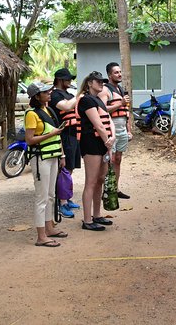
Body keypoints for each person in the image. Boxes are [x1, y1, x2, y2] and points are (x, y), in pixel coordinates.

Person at [24, 81, 68, 247]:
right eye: (45, 92)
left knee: (50, 195)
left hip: (53, 156)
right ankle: (41, 236)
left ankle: (49, 228)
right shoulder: (31, 114)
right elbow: (29, 140)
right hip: (40, 157)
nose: (49, 93)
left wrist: (62, 154)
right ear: (37, 96)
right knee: (41, 197)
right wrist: (53, 134)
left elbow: (58, 135)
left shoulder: (48, 110)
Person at [77, 71, 115, 231]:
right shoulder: (86, 100)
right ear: (89, 83)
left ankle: (97, 214)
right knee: (91, 181)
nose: (101, 84)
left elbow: (109, 120)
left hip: (103, 143)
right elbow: (98, 124)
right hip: (92, 143)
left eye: (102, 81)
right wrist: (109, 142)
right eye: (98, 81)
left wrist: (111, 139)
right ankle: (87, 220)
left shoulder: (99, 100)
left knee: (100, 179)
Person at [50, 68, 82, 218]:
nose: (70, 82)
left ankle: (66, 198)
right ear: (60, 80)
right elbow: (67, 107)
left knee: (70, 169)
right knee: (63, 170)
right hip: (64, 136)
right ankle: (61, 202)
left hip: (74, 134)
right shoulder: (55, 95)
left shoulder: (69, 94)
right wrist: (81, 94)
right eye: (68, 79)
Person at [99, 62, 132, 199]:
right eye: (116, 72)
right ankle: (106, 190)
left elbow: (126, 112)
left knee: (118, 159)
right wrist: (121, 103)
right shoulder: (105, 90)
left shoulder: (120, 89)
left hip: (122, 128)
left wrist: (129, 129)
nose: (119, 74)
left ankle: (115, 189)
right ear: (109, 75)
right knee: (109, 160)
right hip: (111, 128)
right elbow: (102, 109)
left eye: (120, 72)